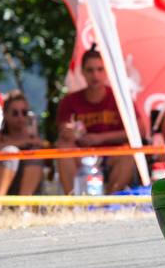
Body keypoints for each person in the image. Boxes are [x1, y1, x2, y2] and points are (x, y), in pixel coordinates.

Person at [56, 47, 136, 194]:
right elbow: (63, 130)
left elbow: (140, 130)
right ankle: (74, 202)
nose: (95, 75)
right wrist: (70, 132)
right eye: (90, 70)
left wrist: (100, 138)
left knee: (129, 153)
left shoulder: (119, 97)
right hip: (81, 155)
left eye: (100, 69)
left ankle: (110, 203)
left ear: (106, 71)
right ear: (82, 72)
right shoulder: (69, 101)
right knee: (63, 146)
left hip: (113, 155)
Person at [0, 90, 46, 211]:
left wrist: (36, 144)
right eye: (15, 113)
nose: (20, 117)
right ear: (5, 114)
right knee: (10, 152)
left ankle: (22, 209)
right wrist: (23, 143)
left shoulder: (33, 139)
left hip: (17, 188)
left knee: (35, 155)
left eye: (24, 112)